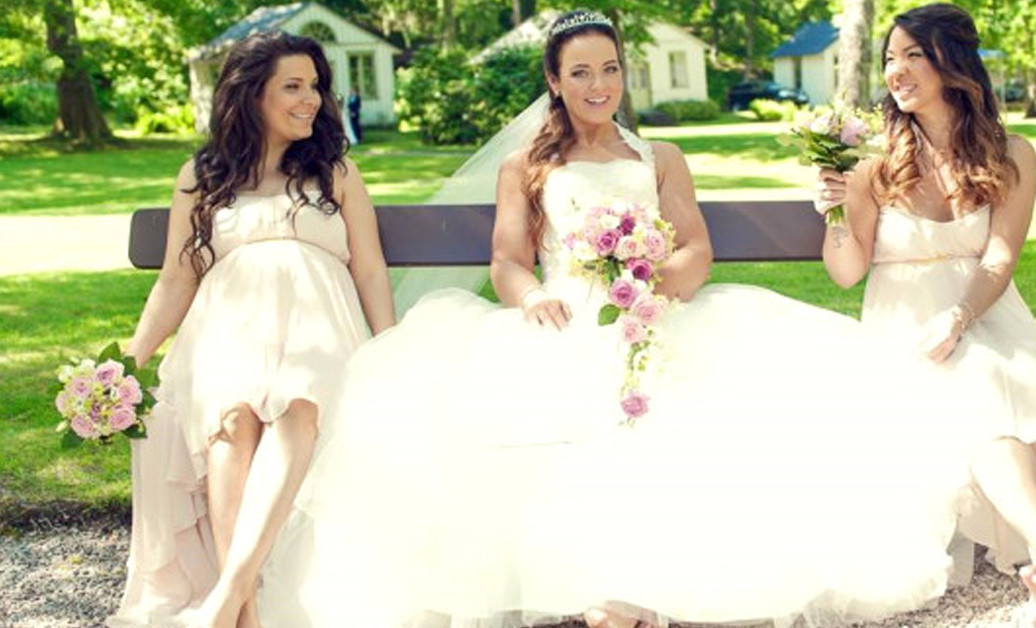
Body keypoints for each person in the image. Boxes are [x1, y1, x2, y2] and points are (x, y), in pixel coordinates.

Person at [257, 9, 986, 628]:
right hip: (563, 316)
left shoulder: (659, 156)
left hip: (652, 313)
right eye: (580, 73)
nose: (598, 85)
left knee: (691, 409)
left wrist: (654, 283)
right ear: (554, 81)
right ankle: (599, 588)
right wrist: (530, 297)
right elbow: (507, 261)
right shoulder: (527, 166)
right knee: (538, 416)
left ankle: (640, 588)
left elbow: (695, 249)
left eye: (609, 70)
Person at [813, 4, 1036, 626]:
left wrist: (959, 317)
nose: (896, 71)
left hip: (984, 308)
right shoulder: (874, 165)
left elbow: (1000, 257)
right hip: (902, 321)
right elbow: (847, 273)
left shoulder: (1012, 153)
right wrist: (834, 211)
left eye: (913, 55)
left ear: (952, 64)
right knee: (977, 378)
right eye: (890, 58)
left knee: (1020, 372)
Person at [105, 31, 394, 628]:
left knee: (300, 402)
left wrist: (390, 348)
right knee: (231, 420)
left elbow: (368, 267)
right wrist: (127, 362)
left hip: (319, 327)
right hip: (228, 333)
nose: (310, 99)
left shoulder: (336, 171)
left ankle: (227, 597)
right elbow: (176, 279)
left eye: (314, 86)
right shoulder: (201, 176)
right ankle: (248, 613)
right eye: (293, 86)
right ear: (252, 94)